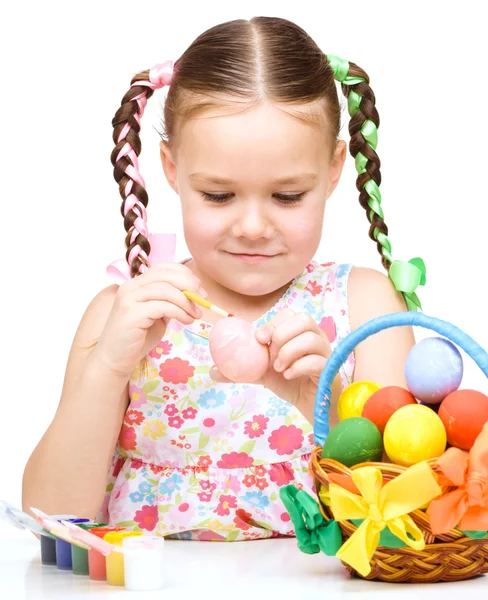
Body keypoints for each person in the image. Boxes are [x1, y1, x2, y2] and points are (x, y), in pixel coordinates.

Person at [22, 16, 425, 541]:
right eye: (218, 195)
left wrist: (320, 403)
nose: (253, 227)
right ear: (171, 167)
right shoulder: (128, 315)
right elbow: (51, 518)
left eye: (286, 196)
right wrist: (106, 368)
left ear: (332, 170)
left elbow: (409, 519)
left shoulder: (367, 309)